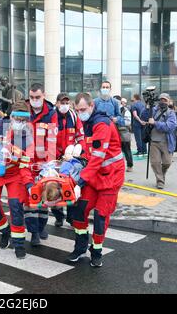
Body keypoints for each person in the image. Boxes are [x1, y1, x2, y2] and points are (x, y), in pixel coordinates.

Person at [67, 93, 125, 268]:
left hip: (110, 177)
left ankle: (97, 251)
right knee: (79, 210)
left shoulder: (101, 123)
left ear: (92, 106)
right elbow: (90, 149)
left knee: (100, 216)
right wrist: (78, 153)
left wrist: (80, 182)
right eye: (77, 110)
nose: (80, 113)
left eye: (83, 109)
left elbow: (98, 157)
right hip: (95, 177)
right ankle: (80, 246)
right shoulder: (88, 122)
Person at [0, 101, 35, 259]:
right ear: (11, 117)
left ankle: (18, 244)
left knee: (16, 204)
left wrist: (30, 185)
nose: (20, 123)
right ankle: (5, 232)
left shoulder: (28, 141)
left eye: (23, 120)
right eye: (17, 119)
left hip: (15, 174)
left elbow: (25, 167)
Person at [25, 83, 58, 246]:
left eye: (37, 97)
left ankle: (42, 226)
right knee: (31, 198)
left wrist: (49, 164)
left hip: (45, 160)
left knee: (44, 197)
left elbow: (52, 139)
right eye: (32, 97)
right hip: (27, 160)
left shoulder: (51, 114)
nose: (34, 100)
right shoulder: (25, 111)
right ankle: (34, 232)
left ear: (43, 95)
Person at [54, 92, 85, 227]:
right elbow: (47, 140)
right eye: (62, 103)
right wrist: (58, 156)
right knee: (53, 189)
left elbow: (81, 136)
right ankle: (58, 215)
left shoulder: (73, 115)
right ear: (57, 103)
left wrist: (77, 152)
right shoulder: (52, 117)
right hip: (55, 158)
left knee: (71, 187)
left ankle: (71, 218)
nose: (65, 105)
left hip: (71, 158)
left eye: (67, 103)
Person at [147, 93, 177, 189]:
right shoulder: (153, 110)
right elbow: (143, 116)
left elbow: (170, 127)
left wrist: (155, 123)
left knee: (167, 162)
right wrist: (148, 106)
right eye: (161, 100)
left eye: (165, 100)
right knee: (155, 162)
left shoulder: (171, 113)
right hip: (154, 141)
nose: (162, 102)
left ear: (169, 101)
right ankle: (160, 181)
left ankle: (161, 174)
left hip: (166, 142)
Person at [118, 98, 134, 172]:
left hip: (124, 133)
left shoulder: (126, 111)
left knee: (127, 150)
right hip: (116, 133)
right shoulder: (115, 110)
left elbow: (128, 122)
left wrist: (118, 121)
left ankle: (130, 165)